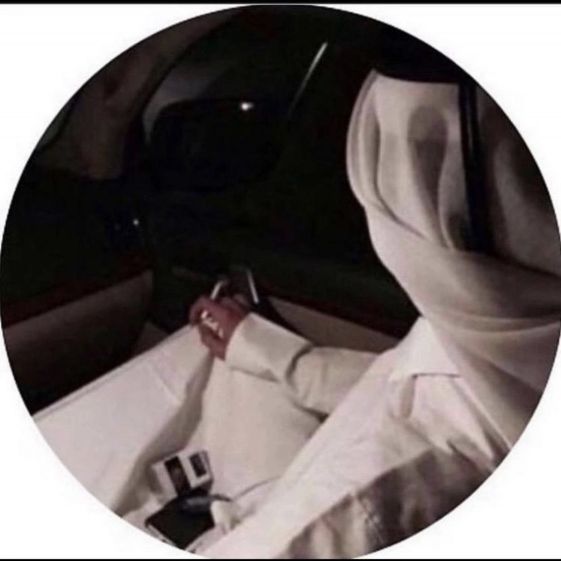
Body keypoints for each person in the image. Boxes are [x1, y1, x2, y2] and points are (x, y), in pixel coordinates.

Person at [185, 70, 561, 558]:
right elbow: (435, 380)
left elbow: (433, 404)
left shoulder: (361, 510)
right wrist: (269, 353)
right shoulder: (505, 327)